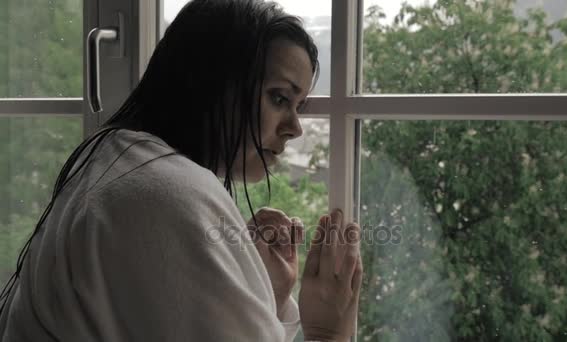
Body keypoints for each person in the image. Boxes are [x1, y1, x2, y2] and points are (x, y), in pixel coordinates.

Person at [0, 0, 363, 341]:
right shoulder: (162, 194)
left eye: (299, 105)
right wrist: (328, 333)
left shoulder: (117, 158)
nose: (295, 128)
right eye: (279, 98)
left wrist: (263, 293)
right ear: (211, 83)